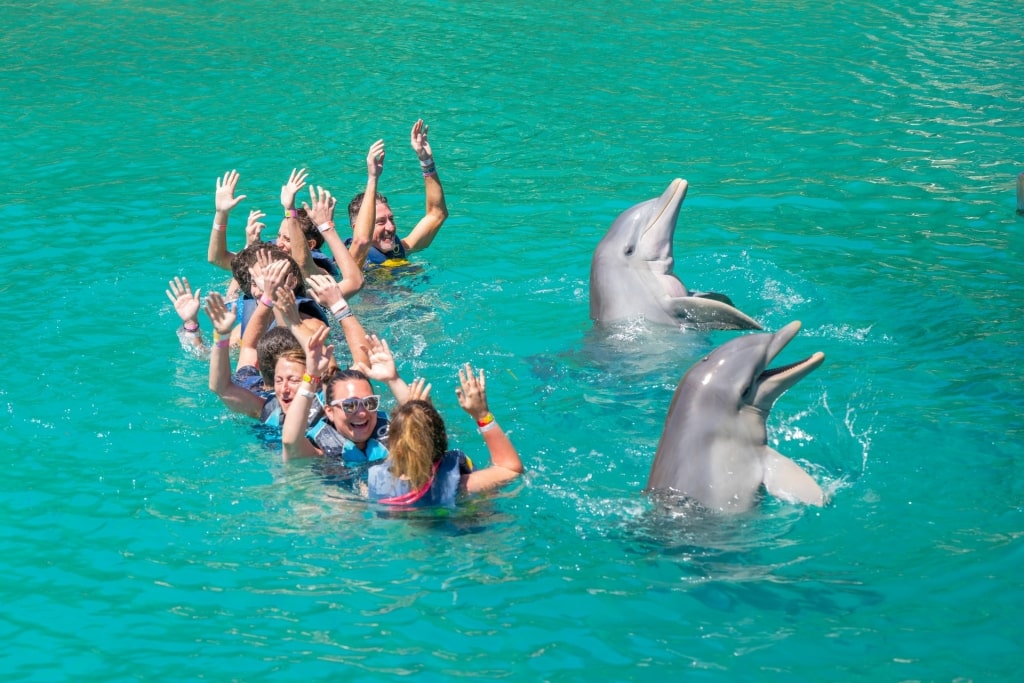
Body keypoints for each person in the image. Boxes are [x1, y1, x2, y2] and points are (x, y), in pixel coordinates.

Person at [366, 364, 523, 508]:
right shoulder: (463, 487)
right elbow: (510, 469)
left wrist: (413, 412)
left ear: (392, 445)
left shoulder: (374, 484)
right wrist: (482, 414)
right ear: (444, 439)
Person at [281, 329, 414, 465]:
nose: (362, 413)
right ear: (329, 412)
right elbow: (291, 444)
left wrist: (393, 379)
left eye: (369, 403)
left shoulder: (393, 435)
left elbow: (427, 429)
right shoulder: (320, 451)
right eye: (350, 405)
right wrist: (311, 375)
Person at [346, 119, 449, 270]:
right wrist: (373, 178)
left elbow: (437, 214)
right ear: (357, 227)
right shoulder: (350, 264)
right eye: (381, 222)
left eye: (391, 219)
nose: (391, 227)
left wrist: (426, 161)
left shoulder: (401, 249)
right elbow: (361, 241)